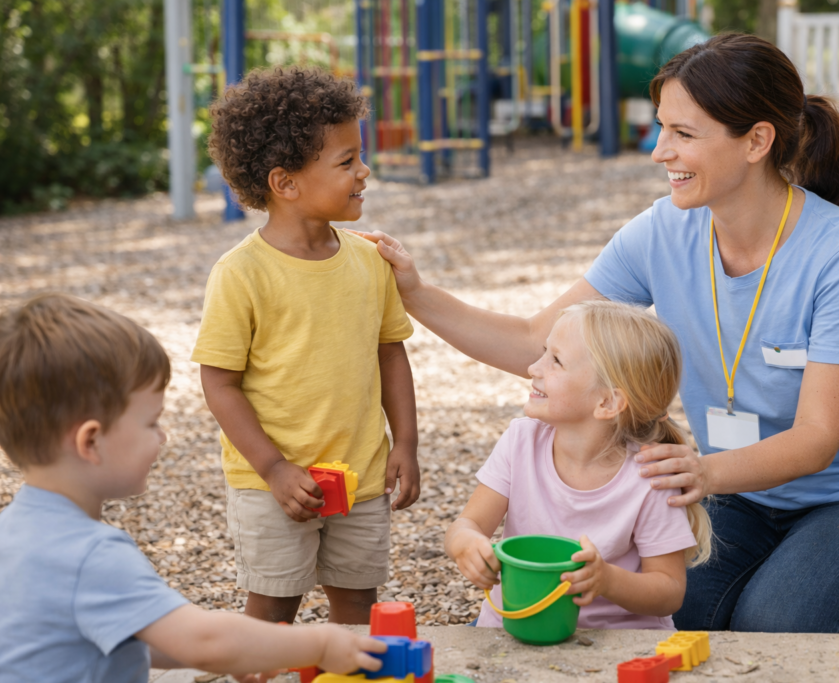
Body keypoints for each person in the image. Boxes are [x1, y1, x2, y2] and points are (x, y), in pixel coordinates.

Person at [354, 33, 839, 634]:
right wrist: (415, 293)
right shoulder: (662, 231)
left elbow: (817, 438)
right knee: (664, 616)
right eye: (662, 128)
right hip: (737, 496)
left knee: (772, 627)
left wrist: (705, 473)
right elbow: (537, 339)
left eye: (684, 134)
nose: (661, 152)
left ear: (757, 141)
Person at [0, 294, 387, 683]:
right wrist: (317, 646)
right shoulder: (90, 554)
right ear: (91, 442)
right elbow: (202, 640)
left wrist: (246, 652)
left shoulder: (15, 533)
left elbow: (127, 634)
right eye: (152, 423)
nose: (164, 438)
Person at [193, 66, 419, 626]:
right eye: (346, 162)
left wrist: (406, 444)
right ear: (285, 183)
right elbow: (217, 382)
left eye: (359, 157)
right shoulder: (240, 274)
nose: (364, 171)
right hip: (273, 483)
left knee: (358, 608)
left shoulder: (370, 260)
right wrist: (272, 468)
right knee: (271, 613)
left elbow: (391, 353)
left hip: (361, 474)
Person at [446, 301, 711, 629]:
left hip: (616, 646)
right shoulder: (521, 441)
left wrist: (607, 580)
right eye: (544, 352)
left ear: (607, 402)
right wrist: (466, 545)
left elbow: (669, 592)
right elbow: (467, 524)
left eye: (555, 360)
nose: (533, 368)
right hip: (516, 627)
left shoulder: (650, 474)